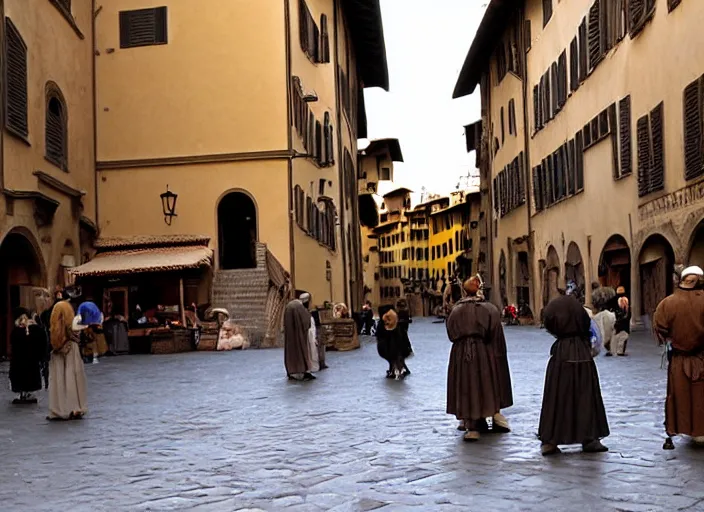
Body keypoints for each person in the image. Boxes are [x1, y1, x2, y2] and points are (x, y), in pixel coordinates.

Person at [538, 290, 609, 455]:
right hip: (582, 352)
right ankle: (590, 437)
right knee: (587, 397)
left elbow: (548, 321)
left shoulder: (553, 307)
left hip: (561, 353)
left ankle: (550, 440)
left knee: (557, 396)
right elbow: (588, 326)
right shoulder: (580, 310)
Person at [446, 276, 511, 442]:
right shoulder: (489, 309)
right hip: (483, 351)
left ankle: (470, 423)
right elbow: (494, 334)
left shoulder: (456, 310)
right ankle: (486, 416)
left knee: (466, 386)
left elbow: (451, 334)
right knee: (484, 384)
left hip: (461, 352)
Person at [653, 266, 704, 448]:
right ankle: (700, 432)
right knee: (699, 396)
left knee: (680, 395)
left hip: (679, 359)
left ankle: (682, 429)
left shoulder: (667, 303)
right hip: (701, 357)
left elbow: (660, 327)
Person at [47, 300, 88, 421]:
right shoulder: (73, 323)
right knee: (73, 378)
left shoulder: (55, 325)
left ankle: (59, 408)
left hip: (58, 351)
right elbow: (78, 336)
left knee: (59, 379)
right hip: (71, 349)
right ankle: (75, 407)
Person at [9, 308, 46, 404]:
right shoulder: (34, 329)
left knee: (20, 377)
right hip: (31, 360)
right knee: (29, 376)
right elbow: (42, 340)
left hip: (19, 361)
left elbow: (12, 343)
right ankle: (28, 392)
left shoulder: (16, 331)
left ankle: (22, 393)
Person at [283, 293, 316, 381]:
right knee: (301, 350)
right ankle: (302, 370)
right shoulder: (299, 307)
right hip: (300, 335)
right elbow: (307, 322)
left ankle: (291, 370)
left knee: (291, 352)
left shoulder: (290, 305)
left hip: (290, 335)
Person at [376, 308, 412, 379]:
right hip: (391, 348)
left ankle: (398, 372)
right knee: (395, 360)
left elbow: (379, 335)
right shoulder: (393, 324)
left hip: (393, 348)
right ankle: (396, 371)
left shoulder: (393, 325)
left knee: (396, 360)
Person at [608, 286, 631, 356]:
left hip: (619, 321)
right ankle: (619, 351)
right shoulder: (625, 299)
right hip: (622, 321)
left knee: (617, 336)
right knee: (622, 336)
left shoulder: (615, 300)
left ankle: (615, 350)